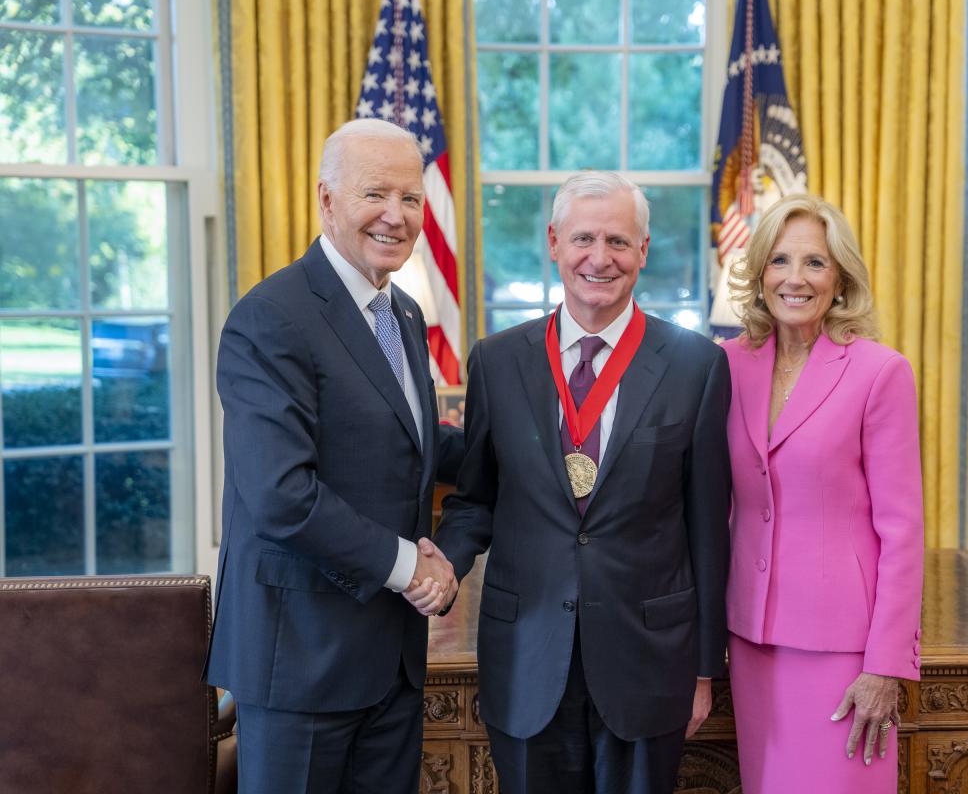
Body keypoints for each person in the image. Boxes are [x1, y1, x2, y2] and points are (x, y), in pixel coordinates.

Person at [431, 171, 732, 794]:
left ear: (644, 251)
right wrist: (441, 565)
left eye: (619, 242)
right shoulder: (498, 359)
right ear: (553, 242)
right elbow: (477, 498)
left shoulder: (697, 365)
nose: (601, 258)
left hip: (650, 658)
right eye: (584, 239)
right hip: (526, 655)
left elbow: (708, 529)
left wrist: (704, 669)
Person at [205, 119, 464, 793]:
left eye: (411, 199)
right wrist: (412, 567)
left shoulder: (402, 314)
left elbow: (409, 445)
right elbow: (282, 495)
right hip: (300, 658)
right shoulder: (272, 318)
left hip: (389, 659)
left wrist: (548, 446)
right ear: (326, 199)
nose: (398, 215)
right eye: (376, 193)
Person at [722, 193, 924, 793]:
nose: (796, 278)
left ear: (840, 279)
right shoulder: (726, 365)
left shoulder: (880, 372)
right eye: (780, 260)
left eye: (815, 263)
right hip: (751, 638)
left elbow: (903, 529)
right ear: (760, 275)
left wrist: (885, 663)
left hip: (843, 648)